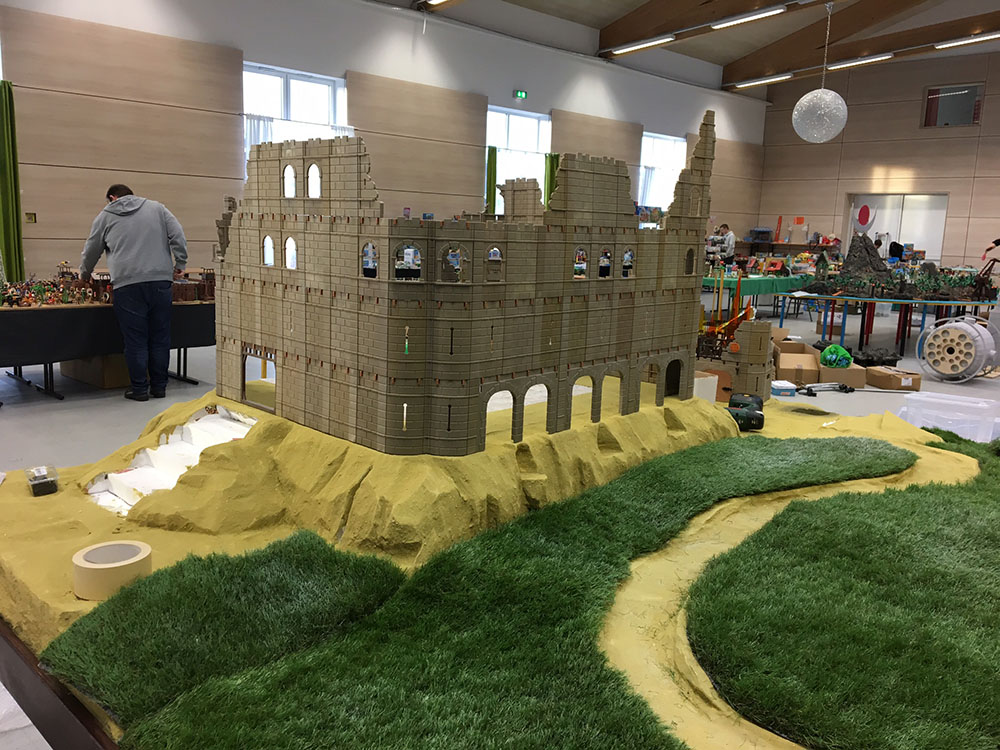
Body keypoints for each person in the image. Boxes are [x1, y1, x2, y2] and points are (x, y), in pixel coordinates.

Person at [80, 184, 187, 401]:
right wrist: (180, 262)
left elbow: (92, 249)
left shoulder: (105, 217)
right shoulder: (157, 208)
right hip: (160, 281)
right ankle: (159, 387)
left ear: (112, 197)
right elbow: (178, 234)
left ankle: (139, 390)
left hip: (127, 285)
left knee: (136, 340)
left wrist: (85, 273)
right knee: (160, 337)